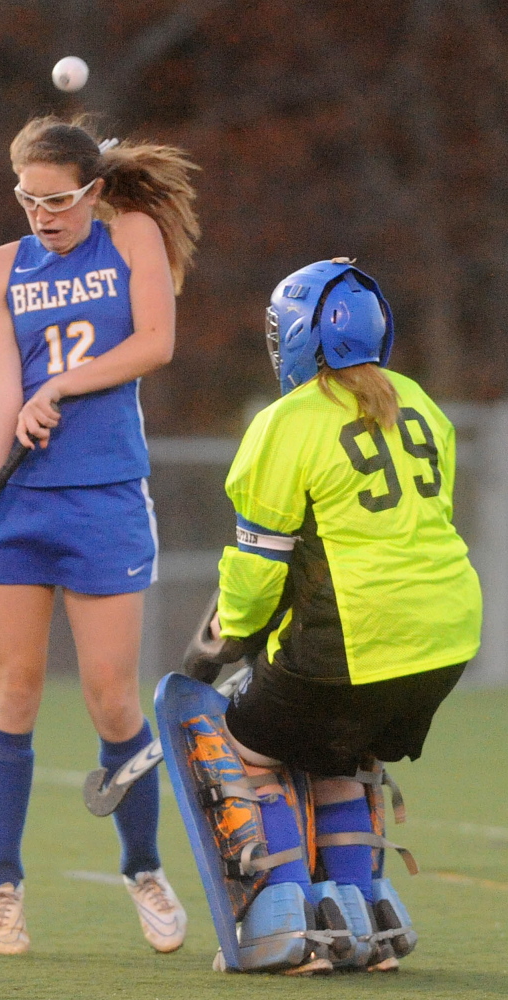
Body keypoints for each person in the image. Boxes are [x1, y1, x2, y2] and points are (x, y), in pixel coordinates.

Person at [0, 116, 201, 954]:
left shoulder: (132, 235)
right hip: (21, 504)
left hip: (103, 497)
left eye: (57, 201)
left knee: (112, 698)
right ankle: (2, 885)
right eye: (27, 200)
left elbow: (155, 343)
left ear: (91, 191)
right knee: (11, 696)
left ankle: (143, 868)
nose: (42, 216)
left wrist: (63, 386)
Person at [189, 256, 482, 972]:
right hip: (447, 639)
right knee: (339, 754)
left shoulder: (284, 422)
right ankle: (364, 916)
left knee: (248, 748)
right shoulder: (419, 402)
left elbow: (258, 574)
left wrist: (226, 637)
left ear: (294, 336)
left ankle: (285, 917)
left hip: (358, 641)